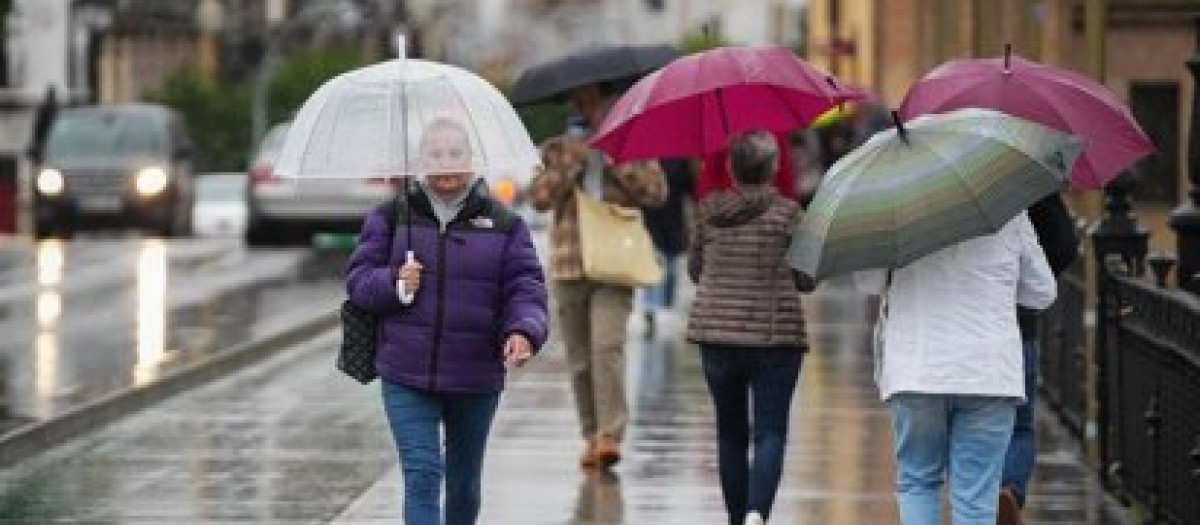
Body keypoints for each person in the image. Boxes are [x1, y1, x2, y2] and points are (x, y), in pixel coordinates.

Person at [346, 117, 549, 525]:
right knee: (422, 475)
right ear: (421, 161)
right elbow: (358, 282)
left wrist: (524, 331)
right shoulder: (391, 218)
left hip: (474, 374)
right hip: (405, 372)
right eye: (435, 154)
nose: (446, 163)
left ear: (472, 160)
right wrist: (395, 283)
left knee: (463, 484)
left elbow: (526, 286)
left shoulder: (505, 225)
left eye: (455, 153)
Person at [867, 211, 1057, 525]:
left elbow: (871, 283)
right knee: (976, 496)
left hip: (917, 367)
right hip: (988, 371)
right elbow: (1042, 292)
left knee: (918, 481)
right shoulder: (1009, 213)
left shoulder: (896, 212)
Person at [529, 82, 667, 469]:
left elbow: (656, 192)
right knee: (579, 358)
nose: (586, 107)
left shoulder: (631, 141)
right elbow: (538, 198)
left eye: (594, 100)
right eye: (580, 100)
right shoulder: (557, 148)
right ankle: (591, 435)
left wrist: (615, 157)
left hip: (615, 261)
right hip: (571, 261)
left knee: (607, 346)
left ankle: (610, 433)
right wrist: (570, 163)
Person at [686, 130, 808, 525]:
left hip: (717, 336)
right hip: (775, 340)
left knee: (729, 434)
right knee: (770, 432)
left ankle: (737, 519)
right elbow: (806, 278)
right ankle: (757, 513)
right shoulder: (789, 213)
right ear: (773, 168)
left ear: (730, 167)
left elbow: (695, 270)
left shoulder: (708, 211)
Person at [999, 194, 1079, 525]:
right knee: (1019, 425)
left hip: (956, 328)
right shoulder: (1024, 174)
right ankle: (1010, 488)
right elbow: (1063, 245)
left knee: (966, 427)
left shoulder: (939, 178)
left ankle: (979, 497)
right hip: (1018, 321)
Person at [640, 157, 695, 337]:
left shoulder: (678, 159)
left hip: (668, 217)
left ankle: (660, 305)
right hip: (657, 217)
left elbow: (689, 187)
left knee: (666, 263)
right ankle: (654, 306)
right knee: (655, 262)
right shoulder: (650, 159)